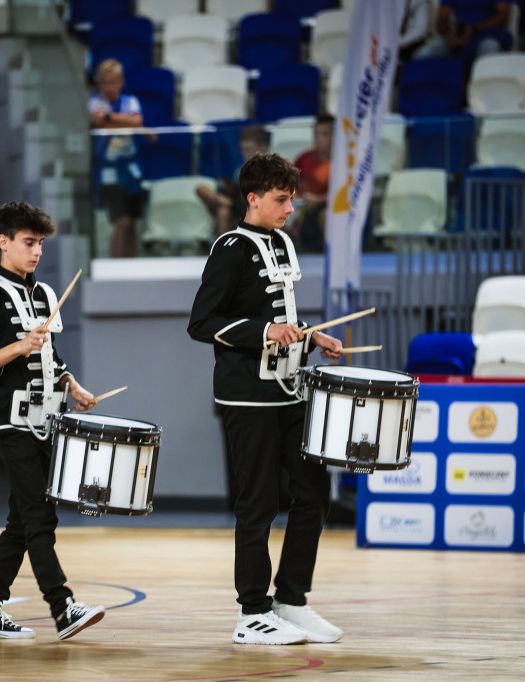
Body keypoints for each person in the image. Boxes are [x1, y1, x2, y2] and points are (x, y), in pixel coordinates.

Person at [187, 153, 344, 645]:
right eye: (281, 199)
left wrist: (310, 336)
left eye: (292, 199)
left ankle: (291, 601)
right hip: (247, 398)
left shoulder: (284, 243)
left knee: (314, 495)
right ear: (252, 199)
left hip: (290, 391)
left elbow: (282, 317)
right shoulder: (230, 248)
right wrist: (265, 331)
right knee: (257, 504)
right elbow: (202, 324)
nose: (290, 208)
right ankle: (251, 612)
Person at [0, 201, 105, 641]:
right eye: (28, 243)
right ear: (3, 243)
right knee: (39, 512)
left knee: (24, 518)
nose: (36, 251)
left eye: (40, 243)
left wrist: (71, 384)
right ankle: (62, 608)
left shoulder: (43, 295)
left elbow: (51, 357)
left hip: (47, 416)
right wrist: (17, 348)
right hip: (8, 419)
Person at [89, 58, 144, 258]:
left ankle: (131, 266)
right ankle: (114, 265)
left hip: (130, 170)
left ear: (121, 82)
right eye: (104, 83)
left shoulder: (131, 101)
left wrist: (109, 118)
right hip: (108, 173)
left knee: (132, 223)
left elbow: (137, 121)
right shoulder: (95, 101)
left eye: (113, 82)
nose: (109, 87)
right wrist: (126, 122)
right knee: (122, 221)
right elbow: (97, 123)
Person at [196, 126, 271, 236]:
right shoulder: (240, 171)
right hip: (237, 206)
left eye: (249, 149)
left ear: (264, 148)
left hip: (257, 210)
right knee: (202, 190)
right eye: (242, 149)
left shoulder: (273, 170)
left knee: (224, 212)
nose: (245, 154)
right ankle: (223, 251)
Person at [414, 0, 511, 61]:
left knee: (489, 50)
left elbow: (503, 17)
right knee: (422, 56)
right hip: (459, 34)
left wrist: (473, 30)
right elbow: (441, 20)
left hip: (488, 34)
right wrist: (450, 36)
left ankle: (483, 90)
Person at [291, 115, 333, 253]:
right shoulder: (304, 158)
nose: (319, 139)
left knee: (326, 215)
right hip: (304, 206)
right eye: (316, 134)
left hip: (329, 206)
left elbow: (346, 193)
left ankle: (330, 254)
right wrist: (297, 197)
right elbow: (290, 183)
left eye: (325, 134)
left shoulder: (344, 161)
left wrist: (318, 199)